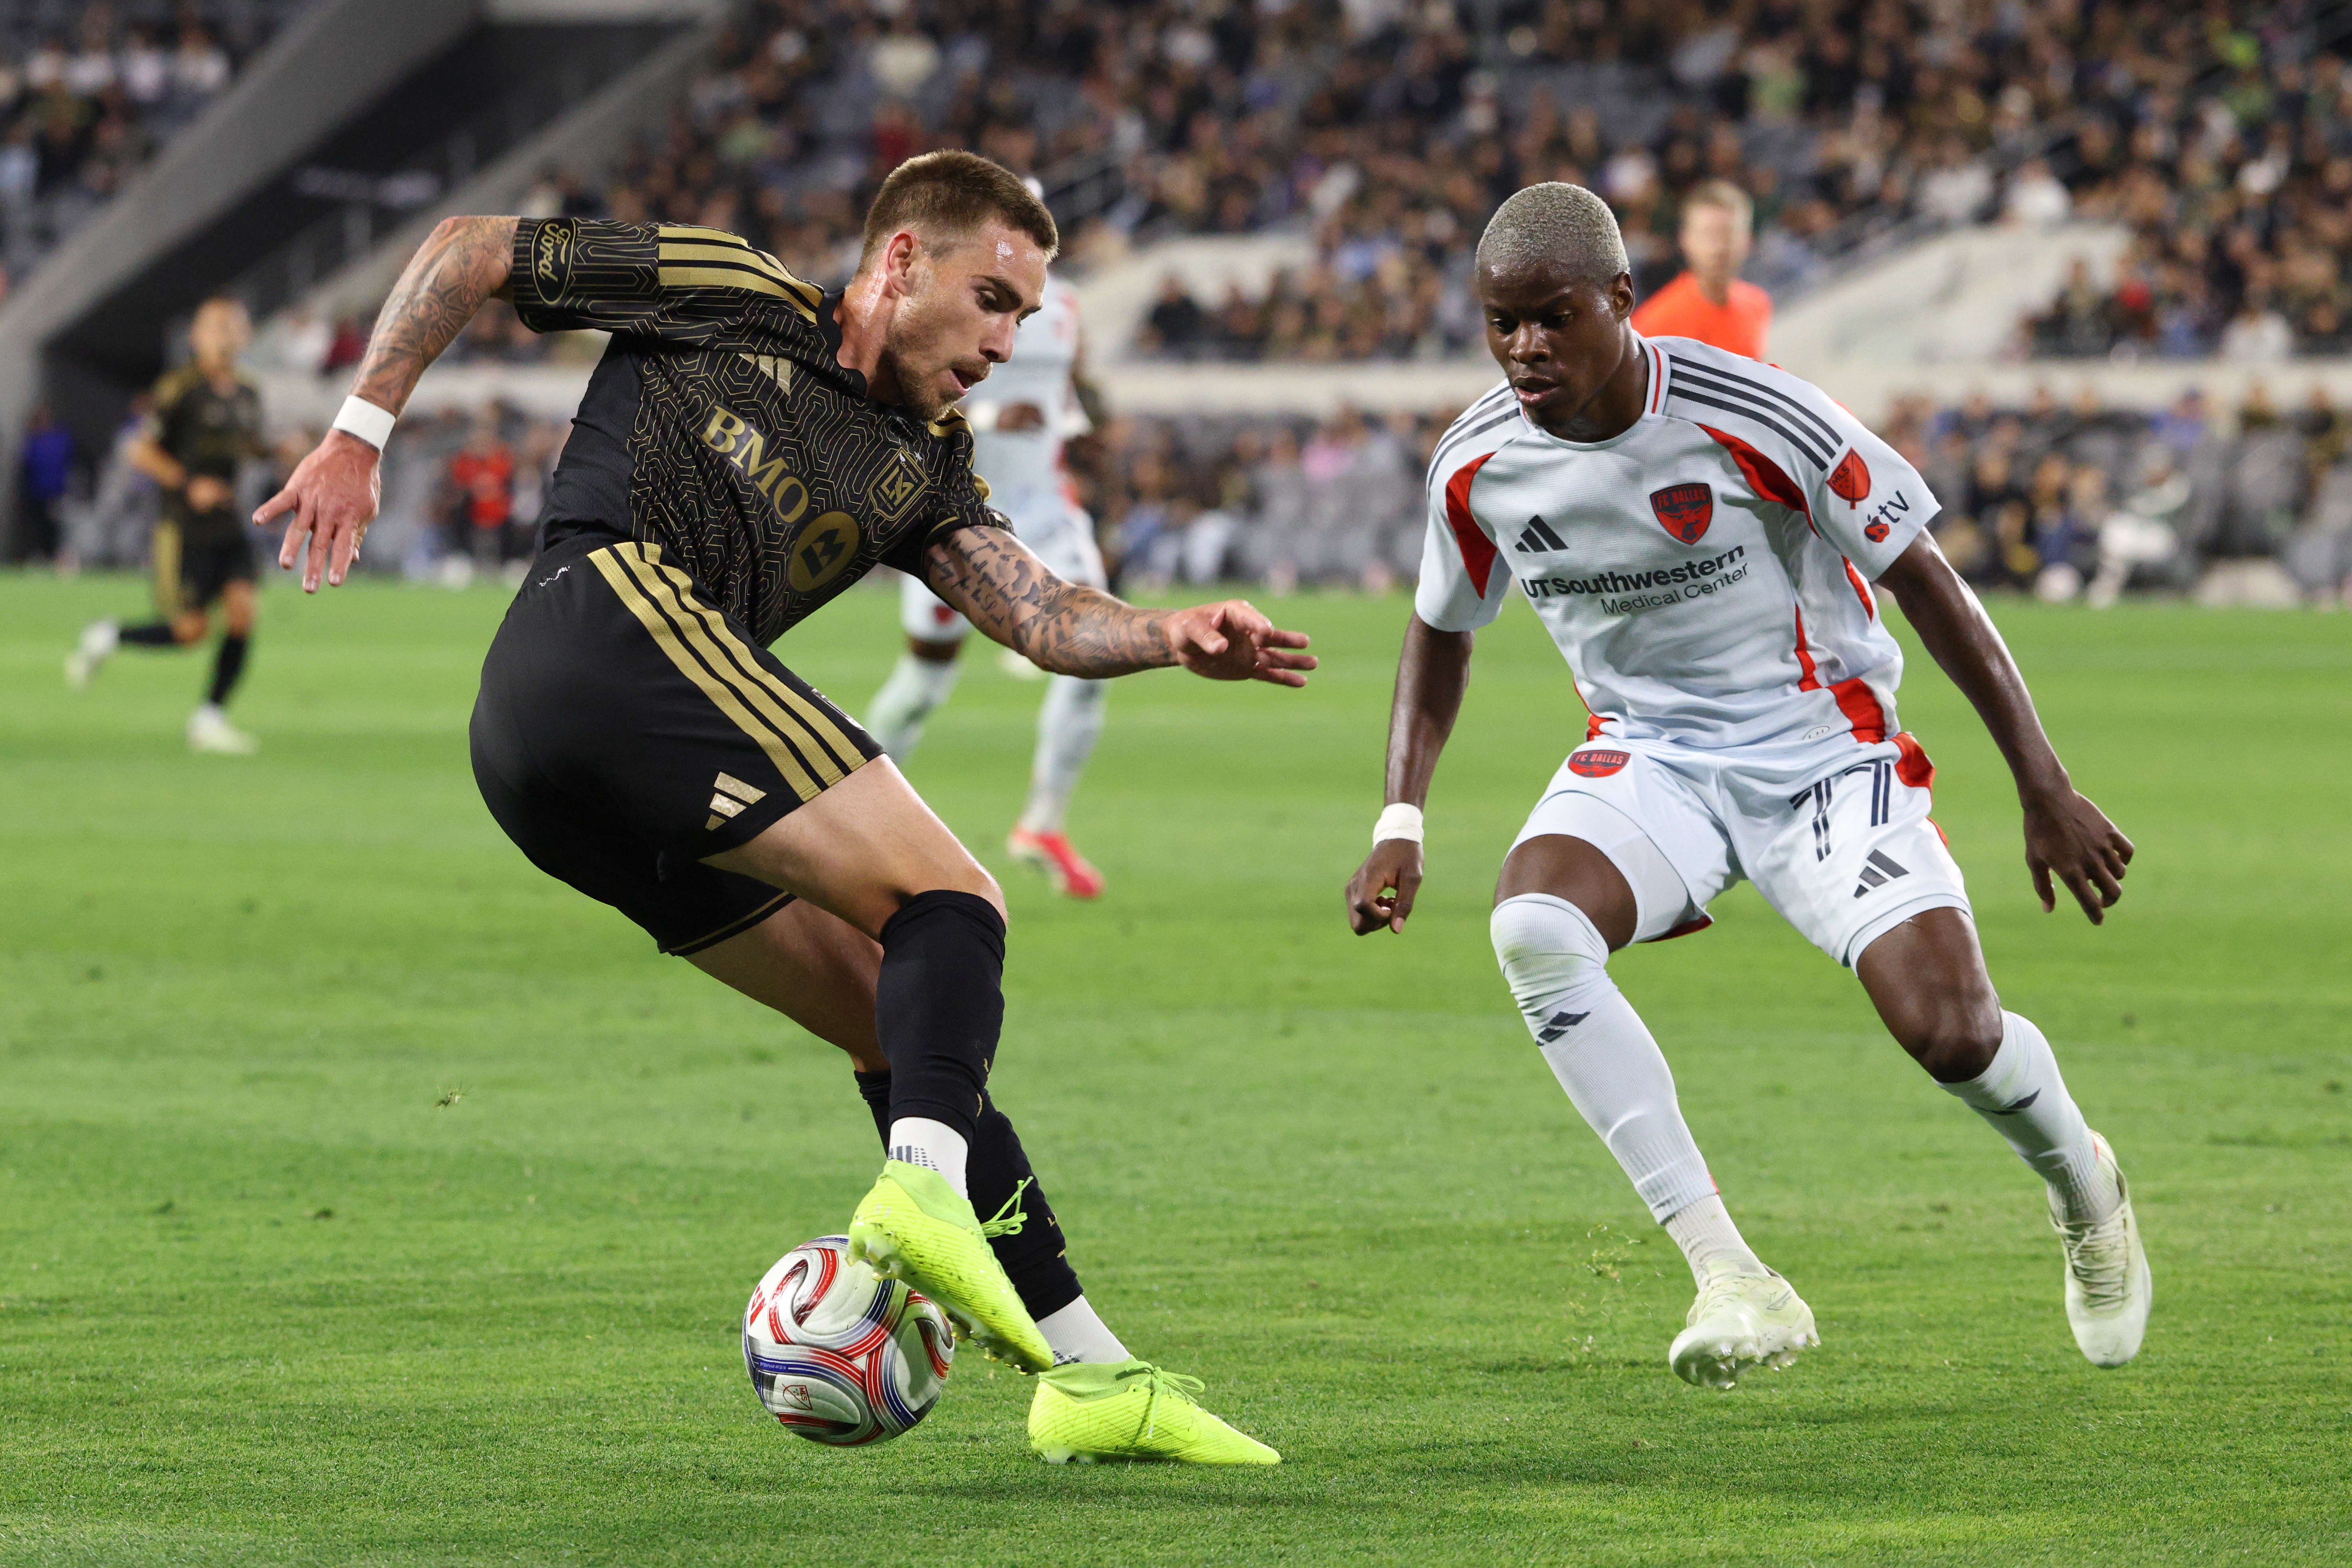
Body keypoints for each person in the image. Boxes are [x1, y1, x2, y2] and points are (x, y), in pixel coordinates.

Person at [257, 152, 1311, 1463]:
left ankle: (1092, 1374)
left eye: (1026, 317)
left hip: (562, 770)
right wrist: (357, 435)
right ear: (901, 260)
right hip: (601, 626)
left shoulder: (924, 462)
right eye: (992, 298)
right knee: (953, 899)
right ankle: (921, 1192)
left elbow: (1039, 611)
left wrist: (1168, 633)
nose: (1005, 342)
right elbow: (475, 247)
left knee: (901, 1022)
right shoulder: (735, 290)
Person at [1345, 184, 2148, 1390]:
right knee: (1532, 926)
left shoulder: (1755, 411)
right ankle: (1730, 1274)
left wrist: (2044, 784)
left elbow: (1925, 578)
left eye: (1553, 318)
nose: (1525, 349)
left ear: (1621, 299)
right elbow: (1439, 629)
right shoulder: (1476, 462)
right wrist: (1400, 817)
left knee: (1953, 1036)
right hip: (1650, 755)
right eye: (1501, 324)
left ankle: (2083, 1184)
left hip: (1824, 753)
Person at [864, 267, 1115, 898]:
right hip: (954, 508)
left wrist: (1089, 409)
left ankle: (1043, 825)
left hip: (1046, 509)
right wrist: (997, 414)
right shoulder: (942, 295)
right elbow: (897, 391)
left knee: (1097, 650)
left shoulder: (1066, 303)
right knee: (922, 683)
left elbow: (1074, 385)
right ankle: (854, 815)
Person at [66, 297, 269, 753]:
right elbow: (139, 450)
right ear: (196, 337)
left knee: (242, 611)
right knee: (190, 632)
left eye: (233, 326)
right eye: (215, 326)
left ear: (245, 335)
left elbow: (250, 445)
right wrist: (188, 483)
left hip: (229, 522)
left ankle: (209, 719)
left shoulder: (248, 392)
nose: (225, 335)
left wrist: (282, 452)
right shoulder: (180, 389)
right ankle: (108, 635)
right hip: (184, 526)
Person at [1628, 179, 1771, 360]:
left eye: (1728, 234)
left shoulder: (1757, 304)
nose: (1718, 248)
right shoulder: (1651, 328)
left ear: (1748, 239)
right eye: (1707, 234)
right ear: (1685, 240)